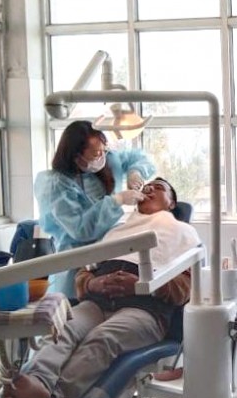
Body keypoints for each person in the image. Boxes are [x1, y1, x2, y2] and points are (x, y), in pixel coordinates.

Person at [3, 178, 199, 398]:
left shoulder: (183, 233)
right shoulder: (117, 231)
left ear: (172, 203)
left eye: (159, 188)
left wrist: (142, 283)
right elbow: (84, 273)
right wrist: (92, 284)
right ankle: (39, 382)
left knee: (102, 339)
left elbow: (184, 289)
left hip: (144, 309)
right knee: (64, 330)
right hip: (97, 302)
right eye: (147, 186)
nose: (149, 189)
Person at [35, 120, 156, 298]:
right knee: (79, 314)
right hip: (75, 262)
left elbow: (137, 158)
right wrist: (117, 200)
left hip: (110, 255)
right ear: (75, 155)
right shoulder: (55, 184)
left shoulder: (108, 161)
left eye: (103, 151)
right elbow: (81, 230)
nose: (102, 157)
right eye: (95, 154)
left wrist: (135, 171)